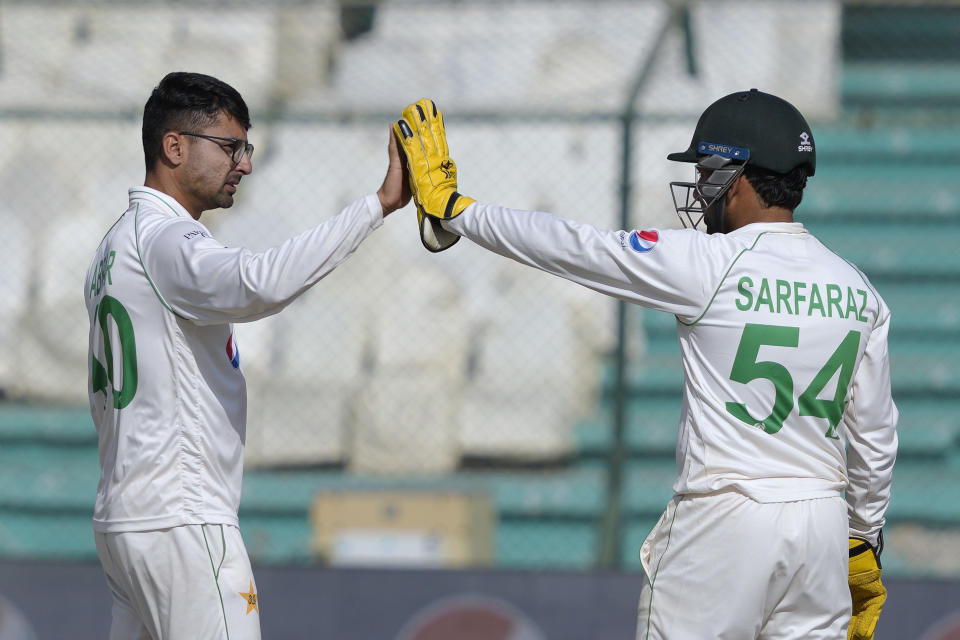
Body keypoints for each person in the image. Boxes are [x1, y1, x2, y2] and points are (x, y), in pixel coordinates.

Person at [393, 92, 898, 639]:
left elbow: (572, 247)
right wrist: (862, 539)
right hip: (821, 530)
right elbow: (875, 437)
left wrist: (454, 209)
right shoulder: (858, 290)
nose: (702, 190)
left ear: (743, 177)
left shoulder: (709, 264)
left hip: (724, 521)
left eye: (709, 173)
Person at [84, 71, 409, 639]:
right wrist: (377, 206)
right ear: (174, 146)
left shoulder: (112, 247)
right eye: (230, 146)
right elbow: (259, 283)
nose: (245, 164)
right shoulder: (166, 241)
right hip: (183, 519)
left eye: (247, 147)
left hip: (127, 519)